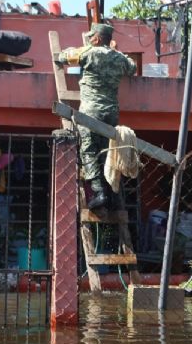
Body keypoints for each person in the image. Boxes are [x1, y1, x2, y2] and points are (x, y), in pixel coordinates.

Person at [56, 23, 136, 210]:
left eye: (92, 37)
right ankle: (113, 195)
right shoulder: (119, 58)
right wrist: (117, 51)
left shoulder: (87, 53)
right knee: (108, 151)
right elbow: (132, 68)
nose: (90, 39)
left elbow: (63, 57)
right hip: (111, 112)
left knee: (89, 149)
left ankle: (99, 191)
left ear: (98, 39)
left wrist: (70, 50)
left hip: (91, 111)